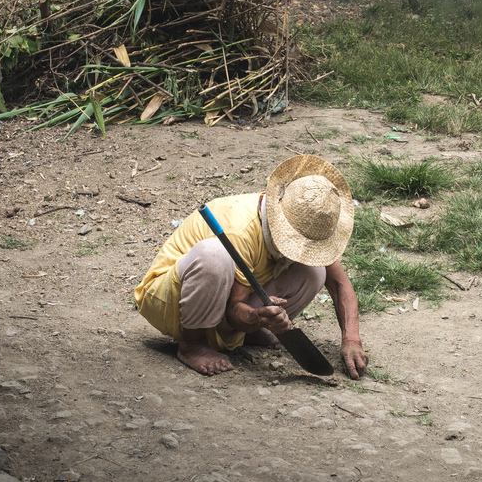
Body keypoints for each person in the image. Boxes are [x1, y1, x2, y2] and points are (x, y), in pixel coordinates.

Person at [133, 154, 368, 379]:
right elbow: (235, 311)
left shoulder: (306, 221)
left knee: (315, 271)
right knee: (214, 256)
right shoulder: (241, 230)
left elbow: (339, 284)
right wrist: (256, 316)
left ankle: (246, 334)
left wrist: (351, 339)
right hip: (173, 302)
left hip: (226, 306)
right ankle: (193, 344)